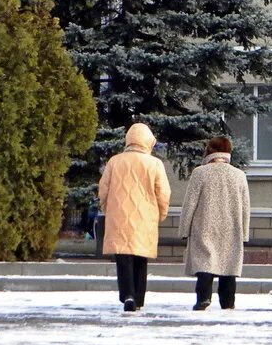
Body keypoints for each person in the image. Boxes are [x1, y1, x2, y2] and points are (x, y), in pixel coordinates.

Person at [97, 122, 171, 313]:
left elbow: (103, 189)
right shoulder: (154, 163)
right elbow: (163, 192)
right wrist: (161, 213)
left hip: (118, 216)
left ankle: (127, 295)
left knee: (123, 258)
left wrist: (108, 209)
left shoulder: (115, 161)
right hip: (145, 217)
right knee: (140, 257)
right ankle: (138, 297)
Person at [178, 136, 250, 310]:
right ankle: (228, 302)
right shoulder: (239, 175)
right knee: (228, 267)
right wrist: (245, 233)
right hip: (231, 229)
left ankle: (203, 299)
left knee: (205, 265)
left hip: (204, 226)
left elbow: (190, 204)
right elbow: (245, 206)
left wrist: (184, 229)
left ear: (209, 151)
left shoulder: (200, 172)